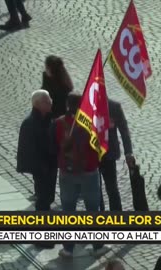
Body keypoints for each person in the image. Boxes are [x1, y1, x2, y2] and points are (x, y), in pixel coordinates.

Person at [50, 92, 110, 258]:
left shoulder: (59, 123)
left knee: (68, 211)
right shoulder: (91, 123)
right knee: (93, 210)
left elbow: (53, 146)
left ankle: (68, 248)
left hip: (67, 172)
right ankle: (97, 246)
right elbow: (100, 145)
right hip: (89, 171)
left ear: (67, 104)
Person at [16, 90, 57, 238]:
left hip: (51, 166)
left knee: (49, 197)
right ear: (38, 104)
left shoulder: (49, 119)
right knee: (43, 199)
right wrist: (41, 168)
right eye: (47, 100)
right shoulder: (30, 123)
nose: (51, 102)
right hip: (41, 169)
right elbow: (28, 150)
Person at [99, 99, 134, 211]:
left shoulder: (114, 107)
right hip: (92, 154)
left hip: (109, 154)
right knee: (97, 189)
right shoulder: (87, 104)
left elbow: (124, 130)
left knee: (112, 188)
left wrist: (128, 152)